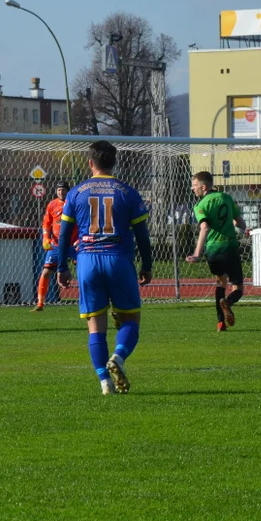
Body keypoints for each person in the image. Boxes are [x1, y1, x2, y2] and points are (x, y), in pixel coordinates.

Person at [56, 141, 154, 396]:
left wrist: (62, 267)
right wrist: (147, 264)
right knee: (131, 319)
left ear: (90, 163)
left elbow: (64, 234)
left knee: (95, 324)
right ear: (114, 163)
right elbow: (143, 236)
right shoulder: (127, 192)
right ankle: (118, 357)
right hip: (118, 260)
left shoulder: (76, 193)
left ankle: (104, 383)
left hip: (87, 261)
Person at [184, 171, 247, 331]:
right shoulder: (226, 198)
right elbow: (239, 222)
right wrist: (242, 229)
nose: (193, 189)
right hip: (229, 247)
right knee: (238, 287)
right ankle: (228, 302)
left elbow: (204, 227)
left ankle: (220, 323)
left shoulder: (200, 205)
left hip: (212, 251)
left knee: (220, 282)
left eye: (195, 186)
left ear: (203, 187)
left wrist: (197, 254)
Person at [33, 181, 70, 312]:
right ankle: (40, 303)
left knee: (84, 270)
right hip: (56, 244)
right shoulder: (52, 204)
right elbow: (46, 223)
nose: (61, 192)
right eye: (59, 190)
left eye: (63, 190)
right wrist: (45, 238)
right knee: (46, 272)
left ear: (68, 191)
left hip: (73, 243)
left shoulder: (73, 203)